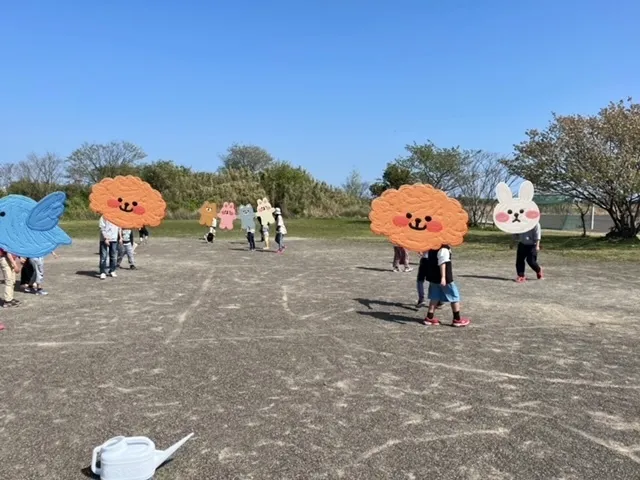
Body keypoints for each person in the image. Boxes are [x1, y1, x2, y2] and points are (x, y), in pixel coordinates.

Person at [422, 245, 470, 327]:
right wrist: (443, 277)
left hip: (433, 277)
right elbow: (442, 263)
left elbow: (427, 258)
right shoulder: (443, 249)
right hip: (444, 278)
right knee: (454, 296)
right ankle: (457, 319)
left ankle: (429, 317)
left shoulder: (431, 248)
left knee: (434, 297)